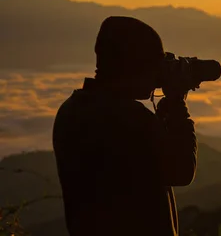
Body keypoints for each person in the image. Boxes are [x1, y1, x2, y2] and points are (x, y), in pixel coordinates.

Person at [52, 16, 198, 236]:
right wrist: (177, 104)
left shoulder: (71, 111)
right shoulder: (129, 118)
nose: (156, 75)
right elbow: (182, 170)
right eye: (153, 66)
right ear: (134, 67)